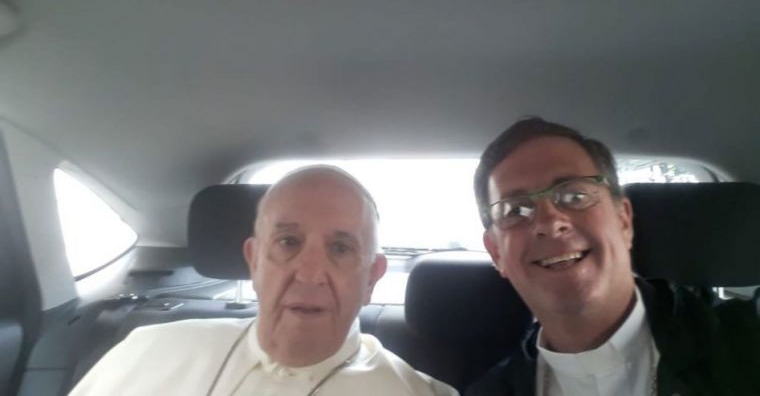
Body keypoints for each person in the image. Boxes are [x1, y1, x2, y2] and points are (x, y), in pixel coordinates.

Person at [70, 166, 458, 396]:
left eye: (340, 248)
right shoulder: (148, 351)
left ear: (372, 277)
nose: (308, 274)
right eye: (288, 242)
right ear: (254, 261)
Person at [466, 117, 760, 396]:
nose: (549, 222)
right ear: (496, 252)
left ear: (623, 220)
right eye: (514, 211)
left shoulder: (744, 344)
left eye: (575, 196)